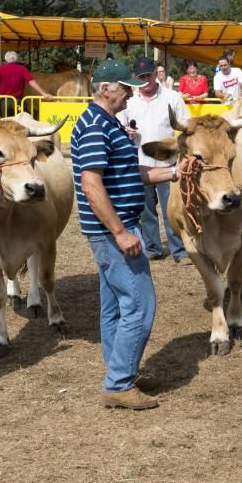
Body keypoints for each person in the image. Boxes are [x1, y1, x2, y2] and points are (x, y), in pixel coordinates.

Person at [71, 58, 180, 410]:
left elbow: (130, 172)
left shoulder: (107, 122)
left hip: (112, 229)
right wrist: (120, 231)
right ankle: (118, 382)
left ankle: (121, 370)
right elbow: (91, 183)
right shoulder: (94, 126)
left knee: (115, 306)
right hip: (114, 231)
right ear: (106, 89)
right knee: (140, 304)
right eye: (125, 87)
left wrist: (174, 173)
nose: (131, 92)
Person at [118, 56, 191, 265]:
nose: (145, 80)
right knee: (146, 210)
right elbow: (120, 124)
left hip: (169, 163)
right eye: (141, 77)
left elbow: (185, 123)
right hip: (140, 163)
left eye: (148, 75)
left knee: (172, 209)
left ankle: (180, 250)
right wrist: (126, 131)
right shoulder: (128, 101)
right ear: (135, 77)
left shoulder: (173, 97)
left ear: (155, 74)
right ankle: (153, 248)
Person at [0, 51, 54, 117]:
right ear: (16, 59)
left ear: (6, 59)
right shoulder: (22, 69)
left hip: (4, 102)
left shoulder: (1, 69)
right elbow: (32, 82)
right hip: (18, 102)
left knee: (4, 126)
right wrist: (44, 93)